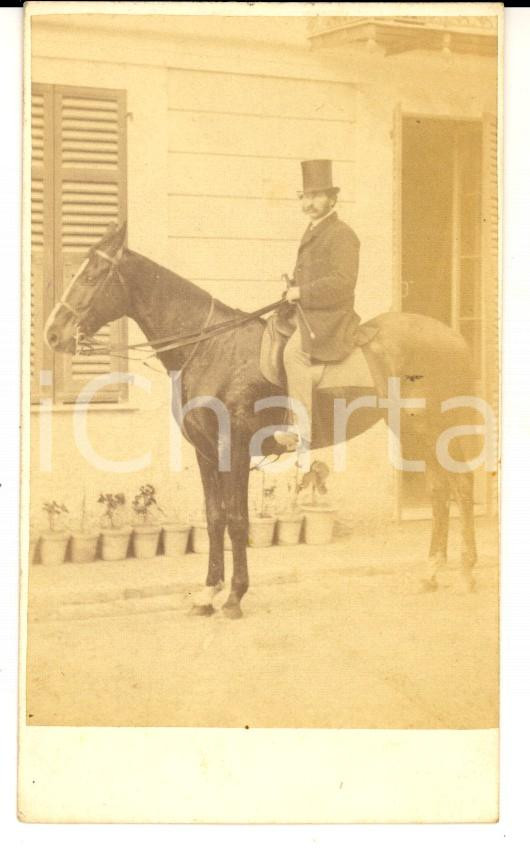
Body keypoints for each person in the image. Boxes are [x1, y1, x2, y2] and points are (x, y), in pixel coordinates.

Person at [273, 160, 361, 452]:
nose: (309, 203)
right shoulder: (312, 229)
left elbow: (343, 282)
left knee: (293, 354)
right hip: (307, 312)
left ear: (332, 199)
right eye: (305, 196)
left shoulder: (342, 234)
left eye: (316, 196)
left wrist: (301, 292)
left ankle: (301, 430)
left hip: (331, 317)